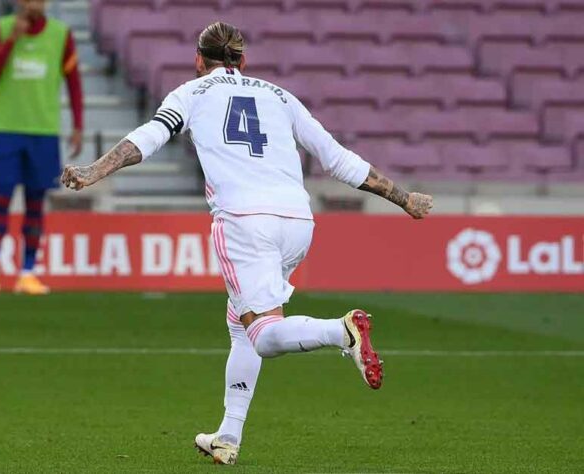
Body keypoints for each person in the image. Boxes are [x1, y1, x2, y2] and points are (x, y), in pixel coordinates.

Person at [61, 22, 433, 465]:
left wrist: (94, 170)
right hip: (297, 221)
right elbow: (336, 158)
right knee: (240, 320)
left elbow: (150, 136)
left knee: (264, 336)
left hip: (243, 221)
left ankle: (343, 331)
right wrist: (403, 197)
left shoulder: (192, 93)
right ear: (244, 61)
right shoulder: (281, 96)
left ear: (200, 61)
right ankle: (228, 435)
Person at [0, 0, 84, 295]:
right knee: (0, 200)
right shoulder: (1, 29)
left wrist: (78, 125)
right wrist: (11, 41)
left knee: (35, 204)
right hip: (6, 131)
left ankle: (28, 272)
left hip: (43, 133)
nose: (34, 3)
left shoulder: (60, 34)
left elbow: (73, 82)